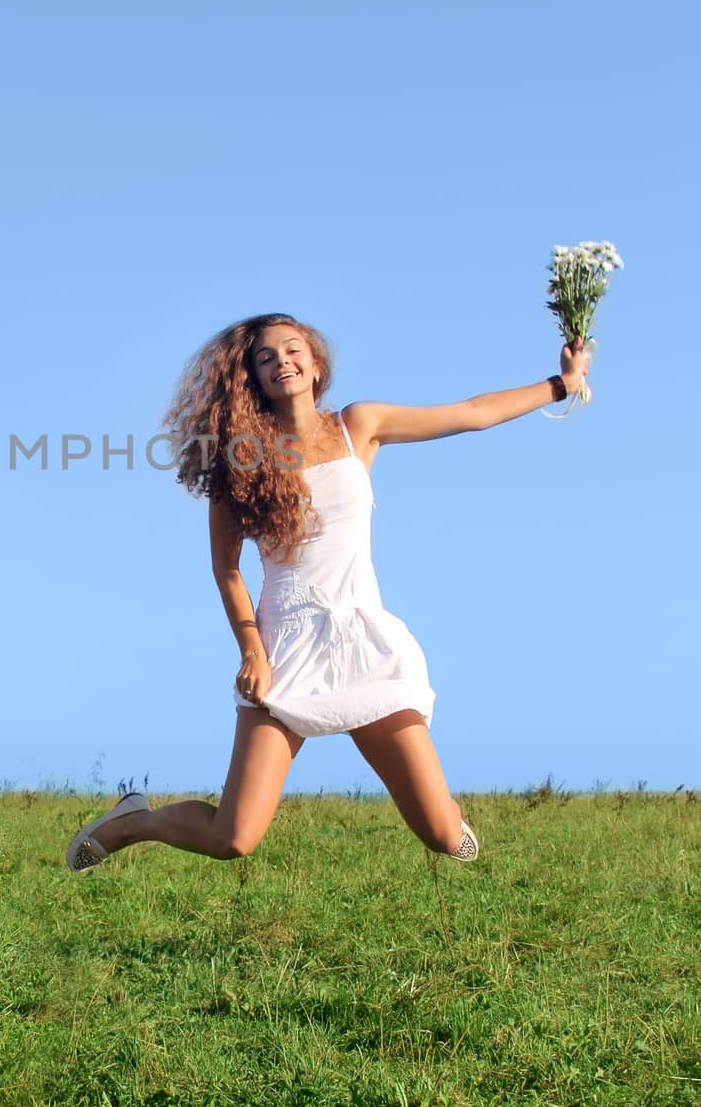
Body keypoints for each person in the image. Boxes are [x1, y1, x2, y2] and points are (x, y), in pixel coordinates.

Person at [66, 311, 589, 872]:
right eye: (265, 358)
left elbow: (470, 413)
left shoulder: (356, 426)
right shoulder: (241, 462)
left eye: (292, 351)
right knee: (234, 837)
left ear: (316, 366)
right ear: (253, 380)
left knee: (442, 834)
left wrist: (563, 383)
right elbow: (228, 569)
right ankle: (133, 820)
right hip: (284, 648)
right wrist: (251, 651)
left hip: (361, 636)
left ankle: (445, 818)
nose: (281, 362)